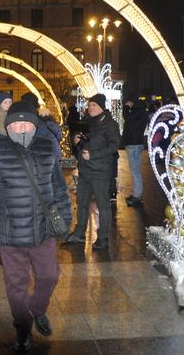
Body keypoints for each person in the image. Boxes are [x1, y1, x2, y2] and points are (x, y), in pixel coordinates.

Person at [0, 101, 71, 352]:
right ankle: (23, 326)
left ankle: (37, 310)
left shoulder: (47, 147)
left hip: (43, 231)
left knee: (49, 276)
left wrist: (66, 218)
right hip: (9, 234)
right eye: (15, 122)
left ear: (34, 123)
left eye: (26, 121)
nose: (21, 126)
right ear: (8, 126)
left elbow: (59, 187)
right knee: (16, 285)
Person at [65, 94, 120, 249]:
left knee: (103, 205)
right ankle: (79, 233)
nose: (90, 108)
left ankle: (103, 237)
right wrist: (75, 141)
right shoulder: (87, 122)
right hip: (85, 170)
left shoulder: (110, 124)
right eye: (89, 105)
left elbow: (114, 145)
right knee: (81, 202)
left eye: (94, 105)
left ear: (102, 107)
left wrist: (93, 154)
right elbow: (82, 141)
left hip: (101, 170)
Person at [122, 98, 149, 206]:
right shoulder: (142, 113)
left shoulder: (136, 113)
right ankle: (137, 193)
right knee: (135, 170)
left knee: (135, 171)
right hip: (137, 143)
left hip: (133, 144)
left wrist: (126, 107)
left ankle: (137, 195)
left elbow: (127, 117)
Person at [21, 92, 62, 160]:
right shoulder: (48, 120)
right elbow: (59, 137)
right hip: (54, 160)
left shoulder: (32, 123)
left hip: (43, 163)